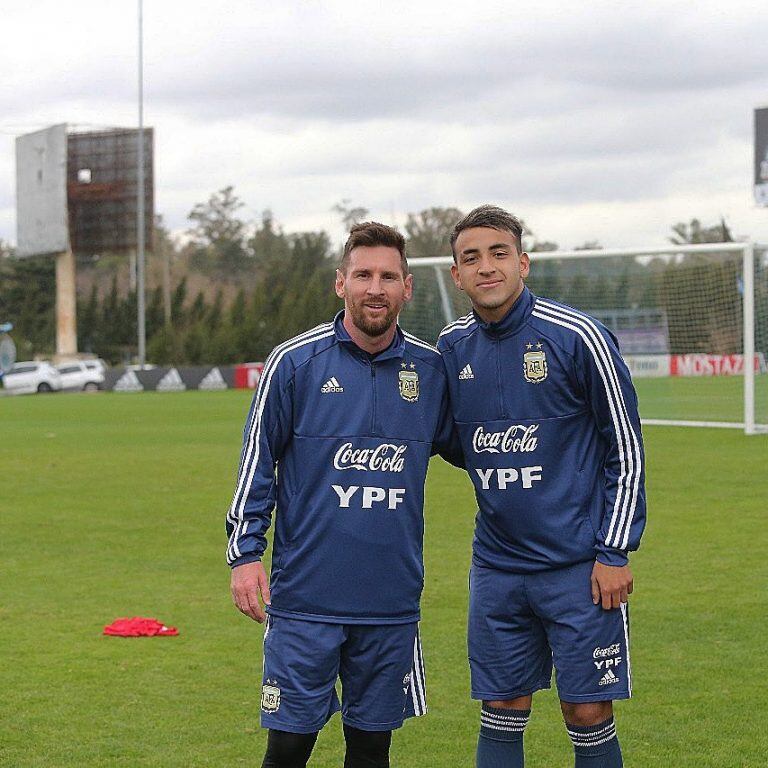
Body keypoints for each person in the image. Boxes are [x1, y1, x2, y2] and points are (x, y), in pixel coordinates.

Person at [226, 222, 461, 768]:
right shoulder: (295, 363)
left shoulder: (430, 370)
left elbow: (479, 447)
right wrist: (244, 555)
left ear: (408, 287)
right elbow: (255, 464)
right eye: (362, 275)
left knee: (372, 751)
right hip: (306, 601)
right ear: (341, 283)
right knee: (286, 748)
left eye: (387, 276)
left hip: (390, 603)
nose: (374, 288)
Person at [437, 205, 646, 768]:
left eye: (498, 254)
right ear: (456, 275)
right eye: (470, 258)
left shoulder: (577, 337)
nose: (486, 267)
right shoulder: (453, 348)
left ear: (523, 263)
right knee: (501, 705)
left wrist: (614, 549)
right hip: (498, 567)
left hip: (580, 567)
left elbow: (624, 447)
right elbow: (453, 438)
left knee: (587, 712)